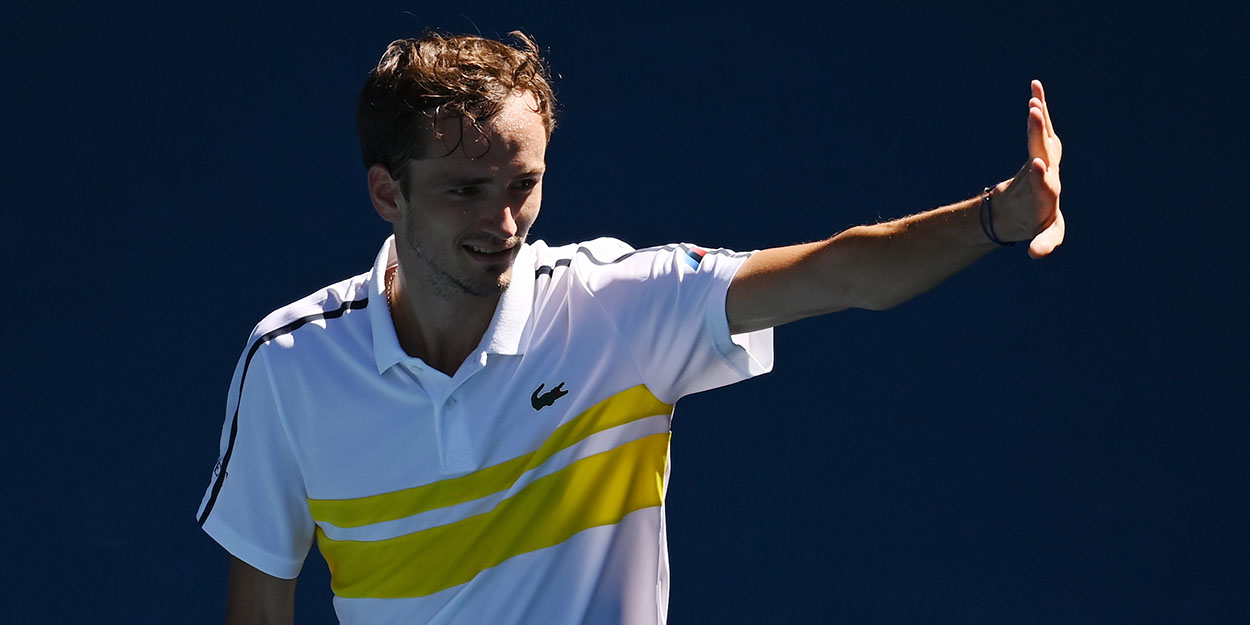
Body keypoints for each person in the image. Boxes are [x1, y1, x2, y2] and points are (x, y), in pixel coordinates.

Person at [197, 31, 1063, 625]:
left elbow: (843, 272)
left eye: (523, 185)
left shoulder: (624, 306)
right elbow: (262, 607)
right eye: (466, 189)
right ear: (389, 192)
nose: (504, 221)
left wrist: (996, 216)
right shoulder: (291, 364)